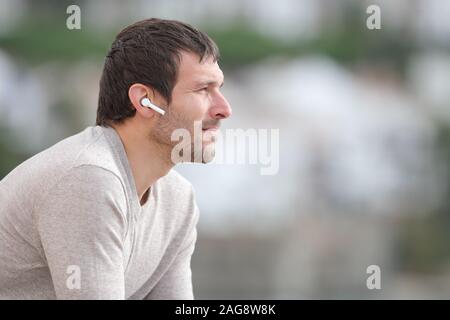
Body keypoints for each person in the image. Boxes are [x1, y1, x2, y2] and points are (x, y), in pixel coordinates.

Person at [0, 18, 232, 299]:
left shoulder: (177, 200)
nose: (224, 109)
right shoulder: (88, 179)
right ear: (145, 100)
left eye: (219, 88)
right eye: (203, 89)